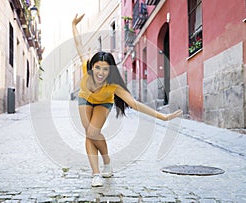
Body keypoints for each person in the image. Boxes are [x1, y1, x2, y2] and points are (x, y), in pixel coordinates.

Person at [72, 14, 183, 187]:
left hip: (103, 102)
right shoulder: (86, 65)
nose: (101, 72)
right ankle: (96, 174)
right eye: (97, 68)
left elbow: (135, 104)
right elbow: (78, 45)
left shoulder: (114, 86)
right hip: (85, 99)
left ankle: (107, 162)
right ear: (92, 67)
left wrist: (163, 117)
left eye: (106, 69)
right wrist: (73, 25)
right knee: (89, 133)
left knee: (93, 133)